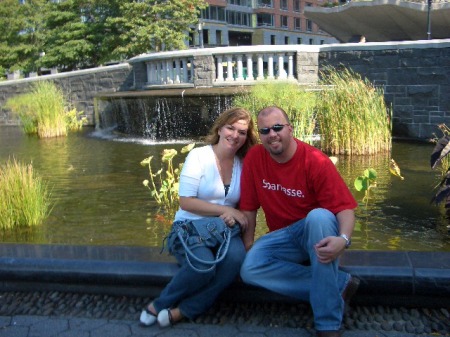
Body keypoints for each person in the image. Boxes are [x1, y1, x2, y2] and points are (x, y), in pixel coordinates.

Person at [239, 106, 360, 337]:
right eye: (265, 130)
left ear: (290, 129)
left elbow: (345, 209)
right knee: (249, 268)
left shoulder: (315, 161)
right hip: (283, 238)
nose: (272, 134)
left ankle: (328, 325)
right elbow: (248, 208)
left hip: (315, 235)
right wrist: (247, 246)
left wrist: (343, 240)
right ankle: (340, 284)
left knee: (319, 215)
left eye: (277, 127)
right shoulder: (255, 157)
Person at [140, 107, 258, 328]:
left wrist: (236, 216)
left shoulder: (243, 165)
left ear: (246, 137)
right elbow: (186, 201)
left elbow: (245, 205)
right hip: (190, 226)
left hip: (225, 231)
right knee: (203, 267)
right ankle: (159, 304)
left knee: (235, 261)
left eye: (242, 132)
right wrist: (226, 211)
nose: (235, 135)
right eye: (230, 128)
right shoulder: (199, 156)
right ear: (220, 128)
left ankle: (184, 310)